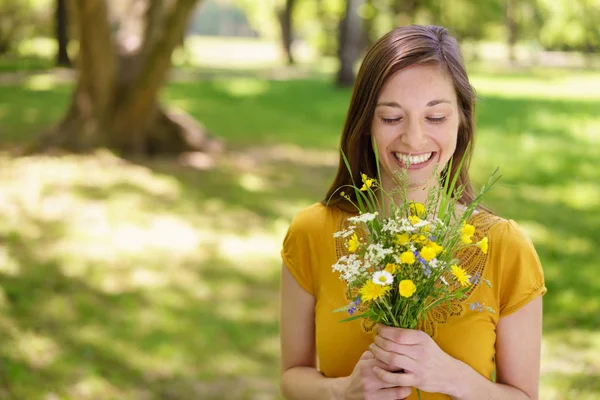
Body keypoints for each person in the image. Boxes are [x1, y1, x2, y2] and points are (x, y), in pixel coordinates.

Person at [279, 25, 547, 400]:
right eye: (391, 118)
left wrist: (454, 379)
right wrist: (343, 391)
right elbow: (292, 377)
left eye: (435, 117)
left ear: (462, 120)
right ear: (365, 123)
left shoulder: (506, 248)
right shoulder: (312, 232)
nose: (414, 139)